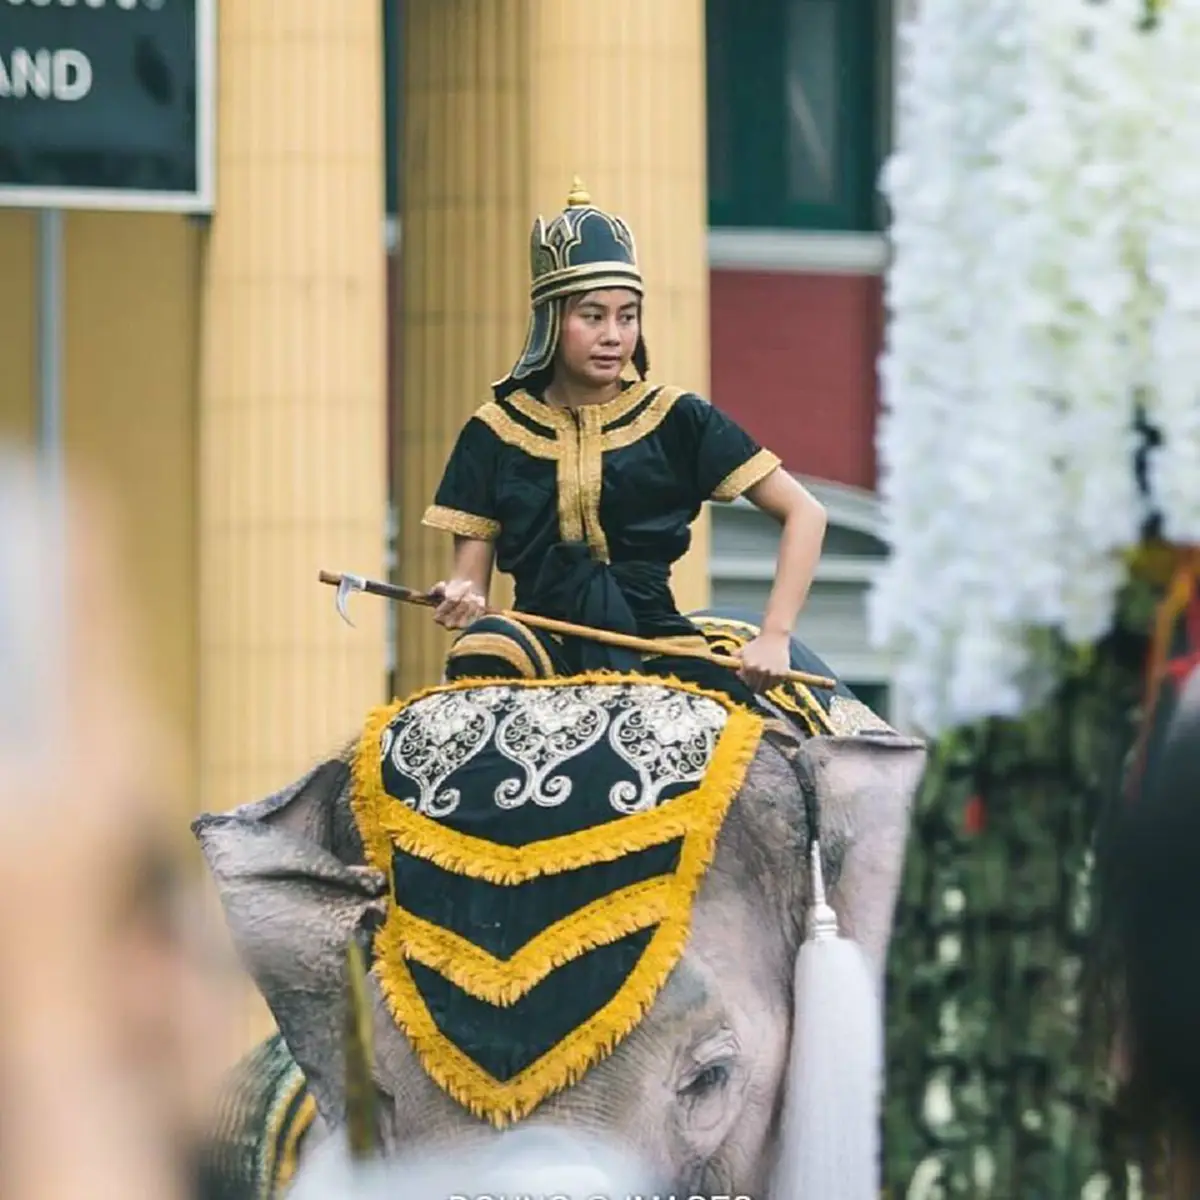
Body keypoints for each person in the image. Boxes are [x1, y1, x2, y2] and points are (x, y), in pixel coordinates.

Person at [422, 178, 828, 707]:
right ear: (551, 321)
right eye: (592, 316)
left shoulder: (679, 418)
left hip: (654, 638)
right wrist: (462, 597)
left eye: (627, 316)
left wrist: (775, 634)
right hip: (534, 640)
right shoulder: (493, 431)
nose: (613, 335)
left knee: (758, 750)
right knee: (482, 651)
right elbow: (470, 583)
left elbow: (806, 512)